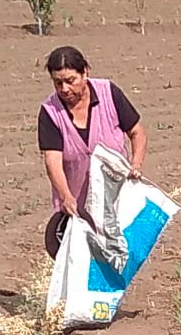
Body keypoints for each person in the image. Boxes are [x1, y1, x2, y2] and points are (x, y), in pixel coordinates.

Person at [37, 46, 148, 232]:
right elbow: (52, 161)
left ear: (84, 73)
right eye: (58, 83)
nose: (64, 89)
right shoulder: (50, 112)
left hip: (117, 201)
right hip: (76, 209)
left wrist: (136, 164)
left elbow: (137, 132)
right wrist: (65, 197)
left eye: (70, 80)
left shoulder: (109, 93)